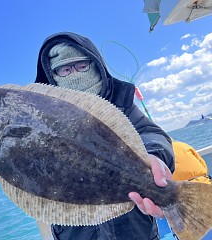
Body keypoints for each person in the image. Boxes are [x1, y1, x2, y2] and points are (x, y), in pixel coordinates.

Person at [34, 32, 175, 240]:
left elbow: (150, 134)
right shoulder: (43, 119)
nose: (75, 74)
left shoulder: (121, 105)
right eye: (65, 69)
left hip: (134, 229)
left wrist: (153, 155)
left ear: (95, 65)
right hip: (76, 231)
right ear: (52, 76)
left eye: (81, 66)